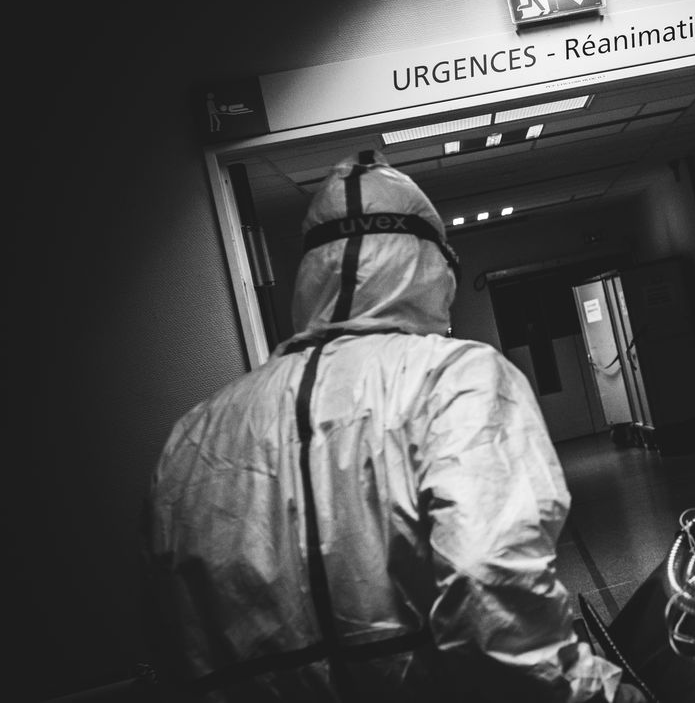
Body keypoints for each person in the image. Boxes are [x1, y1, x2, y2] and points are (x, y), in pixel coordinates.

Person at [143, 150, 641, 702]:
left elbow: (174, 640)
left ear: (311, 275)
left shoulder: (194, 435)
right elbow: (494, 597)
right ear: (430, 269)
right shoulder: (456, 378)